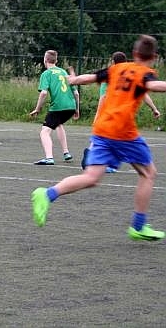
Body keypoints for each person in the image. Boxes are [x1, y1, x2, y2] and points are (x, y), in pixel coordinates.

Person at [31, 34, 166, 241]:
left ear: (134, 53)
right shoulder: (145, 74)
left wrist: (74, 80)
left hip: (102, 130)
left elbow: (91, 77)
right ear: (154, 57)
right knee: (148, 173)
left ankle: (47, 194)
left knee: (91, 177)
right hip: (123, 132)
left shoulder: (116, 69)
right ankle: (138, 226)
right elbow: (156, 86)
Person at [80, 51, 161, 173]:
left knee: (105, 140)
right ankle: (95, 159)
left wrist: (98, 115)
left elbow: (102, 97)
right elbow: (145, 93)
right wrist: (154, 108)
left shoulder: (112, 74)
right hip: (117, 118)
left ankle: (92, 157)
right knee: (112, 140)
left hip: (111, 117)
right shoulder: (131, 74)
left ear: (113, 62)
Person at [29, 50, 79, 165]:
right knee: (58, 124)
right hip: (71, 106)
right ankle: (66, 153)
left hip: (58, 107)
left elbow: (43, 93)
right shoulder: (63, 72)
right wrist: (77, 109)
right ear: (56, 61)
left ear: (45, 60)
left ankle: (49, 158)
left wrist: (37, 109)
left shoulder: (46, 74)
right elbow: (76, 93)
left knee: (44, 132)